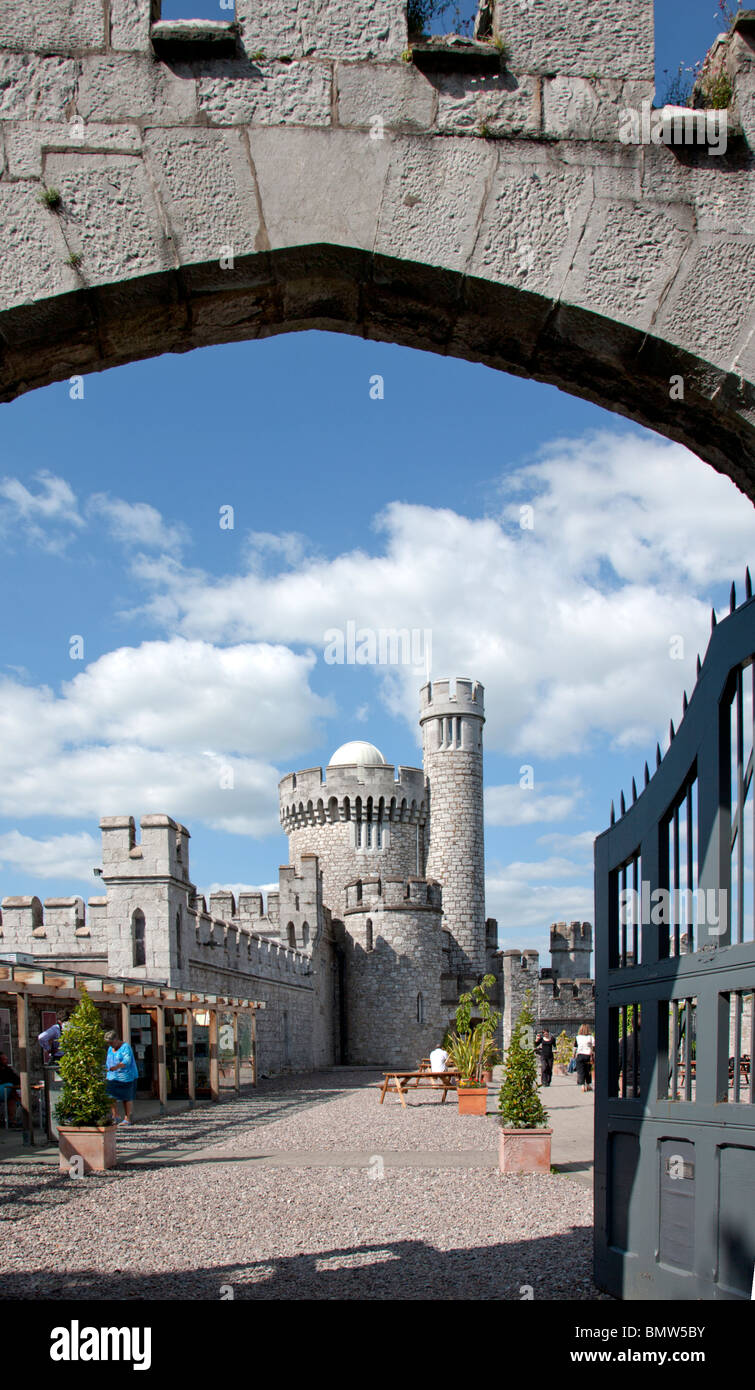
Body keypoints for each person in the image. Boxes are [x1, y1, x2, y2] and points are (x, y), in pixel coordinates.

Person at [104, 1030, 139, 1126]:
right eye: (108, 1043)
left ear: (116, 1039)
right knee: (110, 1096)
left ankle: (127, 1118)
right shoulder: (110, 1049)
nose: (110, 1045)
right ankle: (115, 1115)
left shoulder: (125, 1047)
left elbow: (127, 1061)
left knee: (126, 1097)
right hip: (112, 1076)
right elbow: (108, 1060)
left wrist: (116, 1067)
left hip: (126, 1076)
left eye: (111, 1043)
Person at [0, 1052, 21, 1126]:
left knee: (11, 1099)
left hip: (7, 1092)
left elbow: (17, 1079)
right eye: (4, 1060)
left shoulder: (8, 1069)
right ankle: (19, 1100)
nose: (6, 1061)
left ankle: (12, 1120)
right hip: (2, 1090)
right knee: (9, 1086)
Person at [574, 1024, 595, 1092]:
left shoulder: (578, 1037)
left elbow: (575, 1047)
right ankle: (588, 1085)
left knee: (581, 1071)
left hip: (580, 1055)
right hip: (588, 1056)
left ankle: (583, 1086)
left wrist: (574, 1054)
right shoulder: (591, 1037)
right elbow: (594, 1047)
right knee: (588, 1071)